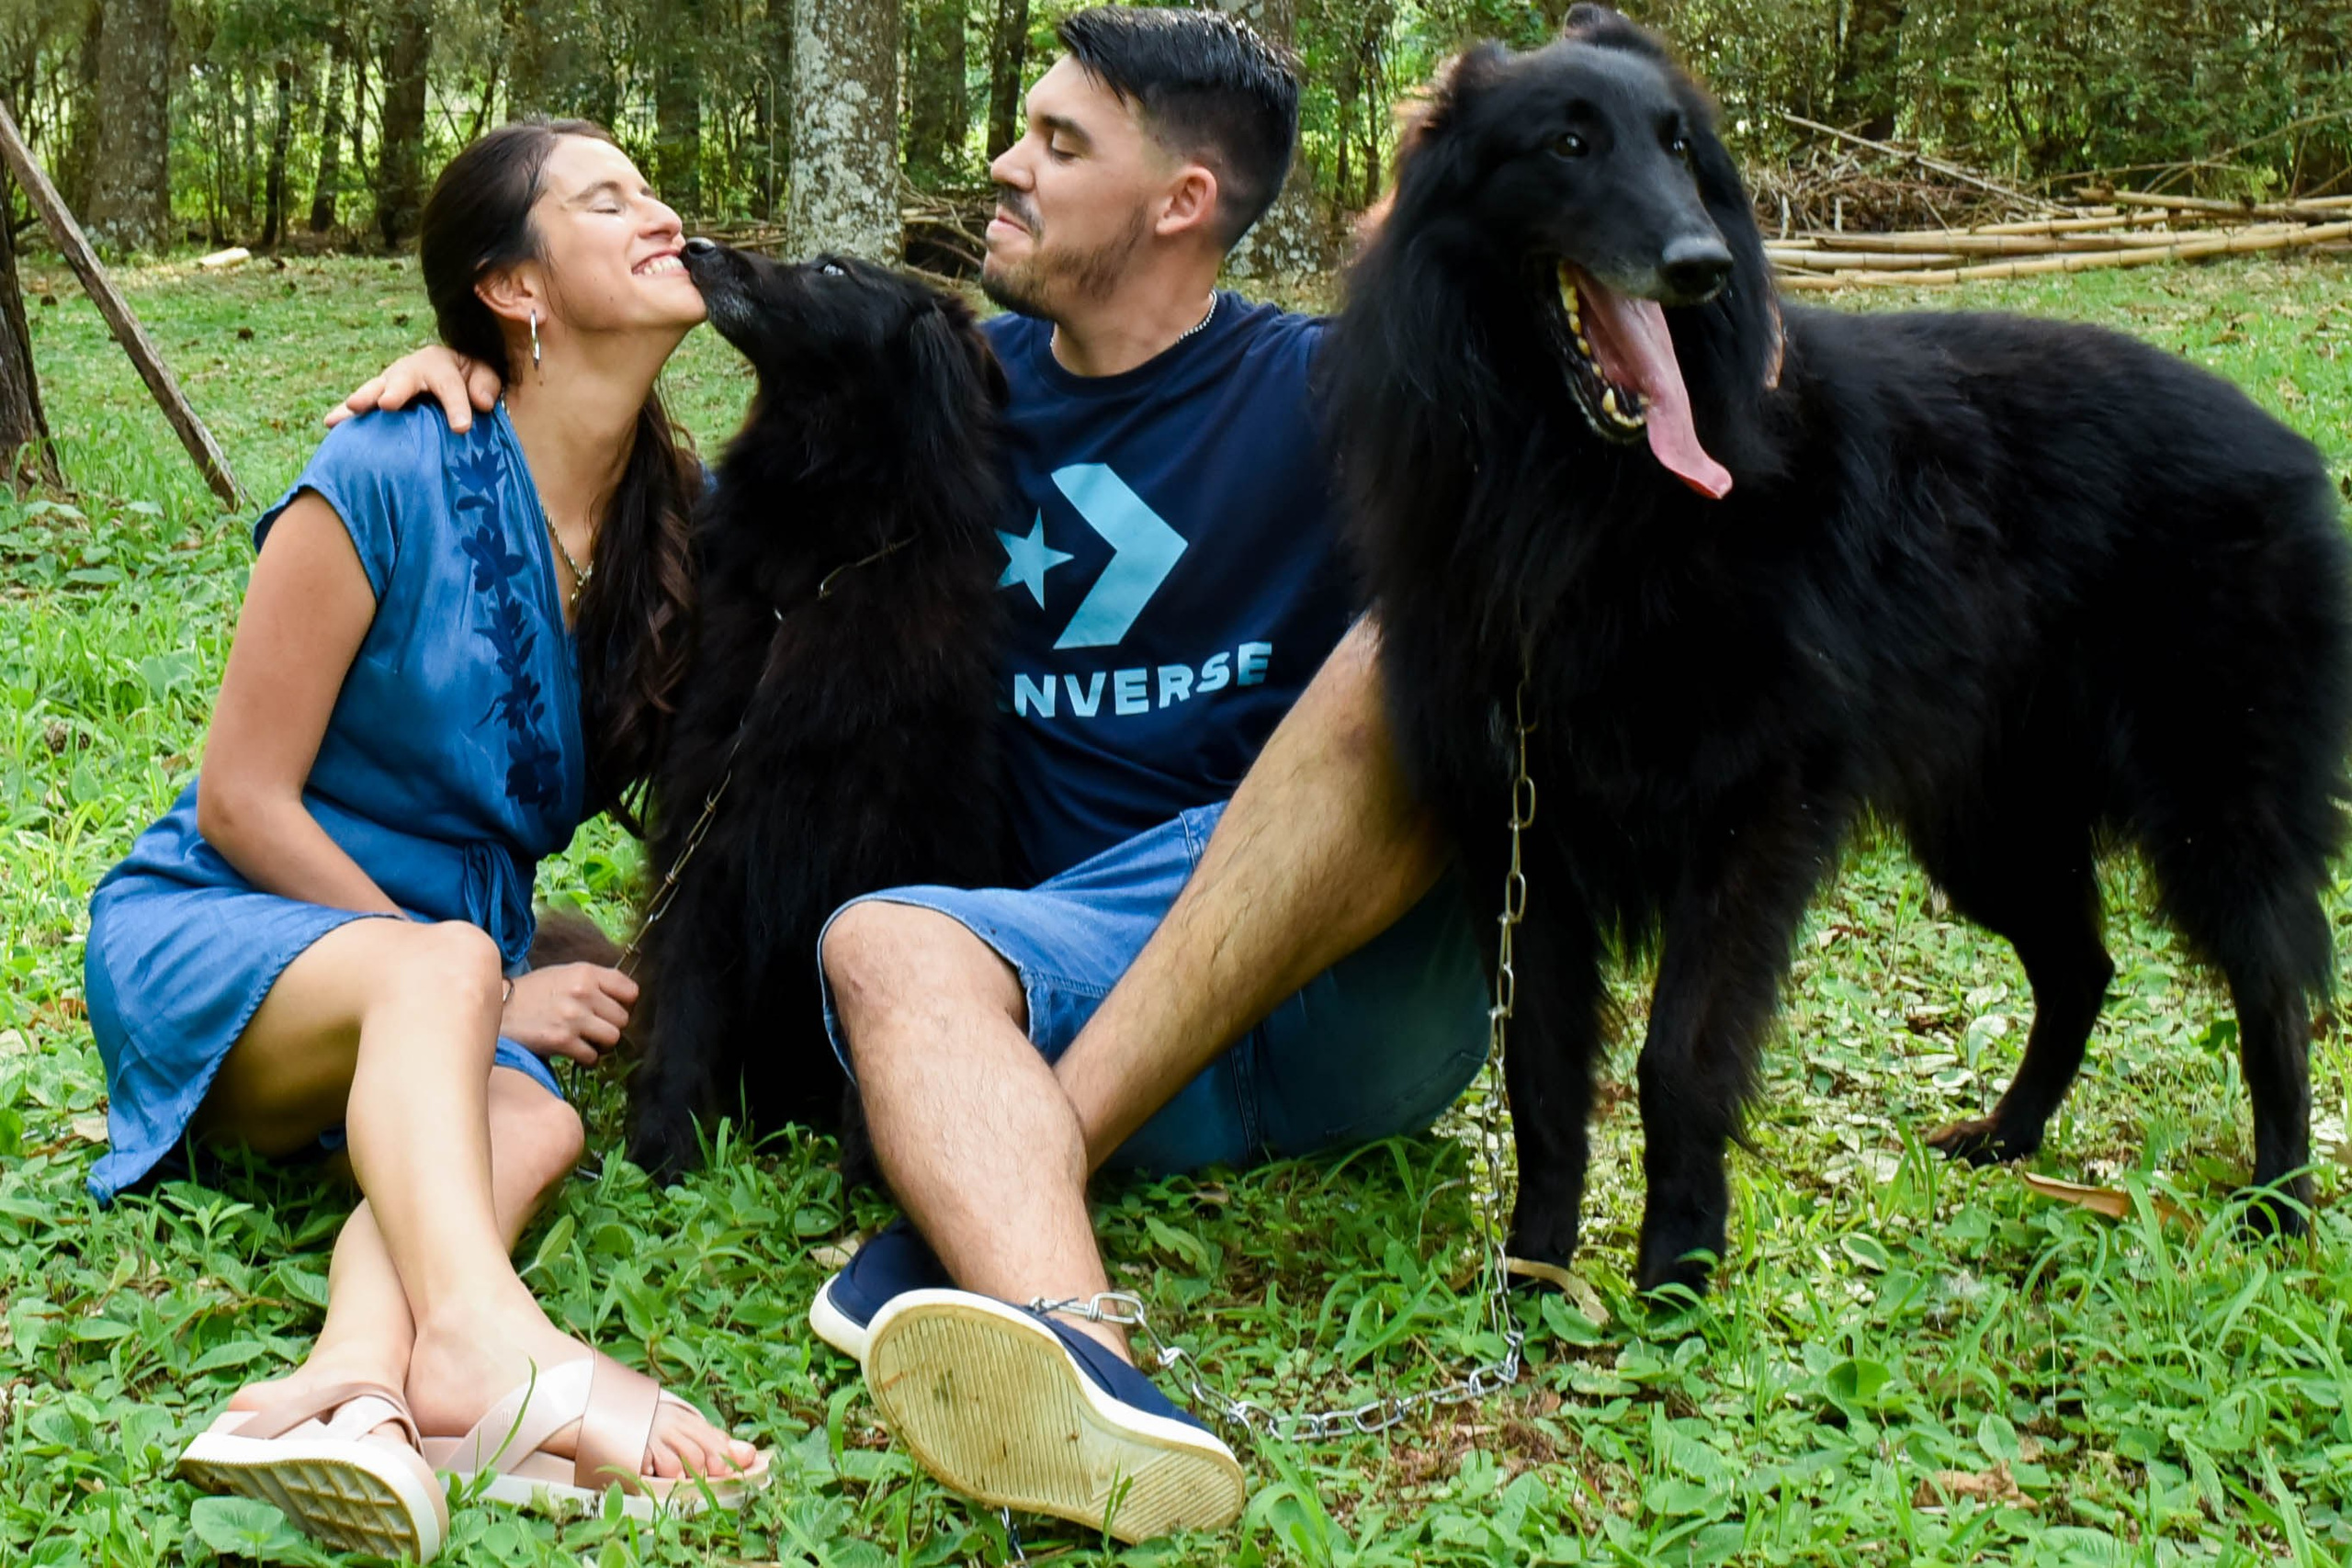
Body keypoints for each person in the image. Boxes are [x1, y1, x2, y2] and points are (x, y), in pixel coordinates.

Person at [352, 7, 1472, 1544]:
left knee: (1425, 650)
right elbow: (697, 542)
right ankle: (1088, 1371)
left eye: (1058, 144)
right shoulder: (928, 382)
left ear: (1182, 203)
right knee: (880, 939)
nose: (1003, 167)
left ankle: (971, 1227)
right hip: (1057, 980)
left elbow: (1617, 427)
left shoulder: (1332, 391)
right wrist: (479, 373)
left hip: (1339, 974)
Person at [85, 121, 764, 1560]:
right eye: (609, 199)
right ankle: (491, 1344)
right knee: (450, 971)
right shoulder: (390, 465)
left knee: (538, 1119)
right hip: (228, 934)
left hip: (440, 980)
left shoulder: (675, 530)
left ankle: (358, 1386)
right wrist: (485, 984)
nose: (661, 214)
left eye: (655, 189)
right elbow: (241, 800)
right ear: (516, 290)